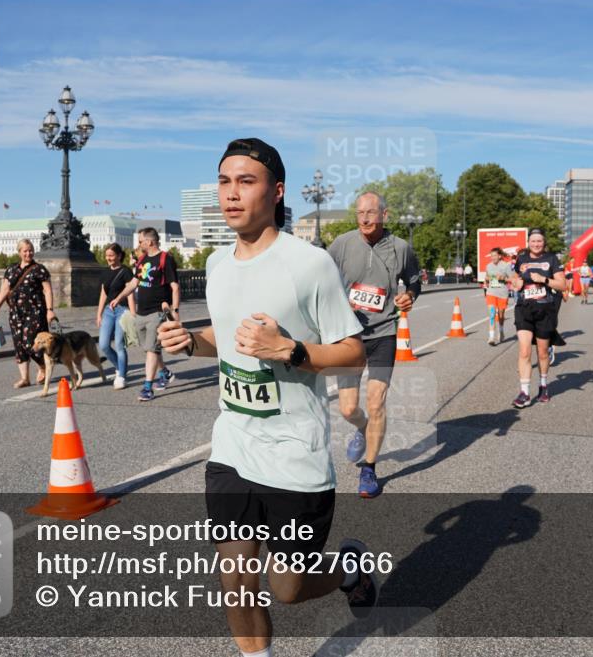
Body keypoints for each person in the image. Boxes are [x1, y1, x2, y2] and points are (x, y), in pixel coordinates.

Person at [157, 138, 376, 657]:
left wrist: (292, 350)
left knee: (288, 587)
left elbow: (353, 352)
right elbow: (228, 333)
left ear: (276, 192)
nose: (231, 194)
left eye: (246, 181)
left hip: (294, 454)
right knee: (234, 581)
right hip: (233, 445)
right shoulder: (215, 263)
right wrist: (193, 341)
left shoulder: (309, 263)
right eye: (225, 181)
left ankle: (348, 571)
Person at [328, 191, 421, 498]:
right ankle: (361, 428)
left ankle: (369, 469)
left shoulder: (400, 248)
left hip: (383, 332)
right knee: (348, 408)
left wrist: (410, 296)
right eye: (359, 213)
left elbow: (414, 281)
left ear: (385, 214)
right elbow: (321, 277)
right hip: (348, 335)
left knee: (376, 401)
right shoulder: (342, 244)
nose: (365, 218)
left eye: (371, 212)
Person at [110, 227, 180, 401]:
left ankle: (147, 388)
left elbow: (175, 287)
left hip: (158, 312)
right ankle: (165, 372)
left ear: (149, 241)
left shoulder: (166, 259)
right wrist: (119, 298)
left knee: (152, 348)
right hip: (142, 312)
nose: (138, 244)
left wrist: (175, 310)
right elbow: (135, 282)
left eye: (140, 241)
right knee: (149, 348)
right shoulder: (141, 260)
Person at [510, 229, 567, 407]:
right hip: (524, 309)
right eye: (533, 241)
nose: (536, 244)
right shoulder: (522, 259)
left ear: (544, 242)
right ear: (528, 242)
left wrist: (544, 280)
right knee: (524, 351)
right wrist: (516, 282)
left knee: (542, 353)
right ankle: (524, 393)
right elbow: (516, 278)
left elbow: (563, 285)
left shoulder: (552, 259)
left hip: (545, 309)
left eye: (539, 241)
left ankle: (543, 385)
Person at [0, 239, 56, 388]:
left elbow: (48, 290)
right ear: (19, 252)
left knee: (29, 342)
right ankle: (25, 378)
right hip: (15, 313)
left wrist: (50, 310)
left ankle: (43, 366)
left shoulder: (39, 269)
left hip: (35, 312)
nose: (28, 253)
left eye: (31, 250)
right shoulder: (12, 269)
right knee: (19, 345)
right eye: (25, 251)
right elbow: (4, 290)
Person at [96, 243, 136, 389]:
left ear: (119, 256)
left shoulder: (126, 272)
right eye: (107, 256)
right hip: (108, 311)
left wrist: (132, 313)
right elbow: (103, 293)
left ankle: (122, 376)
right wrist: (99, 313)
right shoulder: (105, 272)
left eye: (111, 255)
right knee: (104, 345)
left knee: (119, 344)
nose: (109, 258)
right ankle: (119, 367)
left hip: (122, 310)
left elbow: (130, 292)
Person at [483, 247, 512, 345]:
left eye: (495, 255)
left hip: (502, 293)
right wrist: (486, 279)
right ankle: (491, 337)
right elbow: (486, 277)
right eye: (491, 256)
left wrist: (503, 278)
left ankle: (501, 331)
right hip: (491, 292)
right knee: (491, 314)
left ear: (499, 256)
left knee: (501, 315)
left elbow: (511, 278)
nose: (493, 258)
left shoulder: (506, 265)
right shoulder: (488, 266)